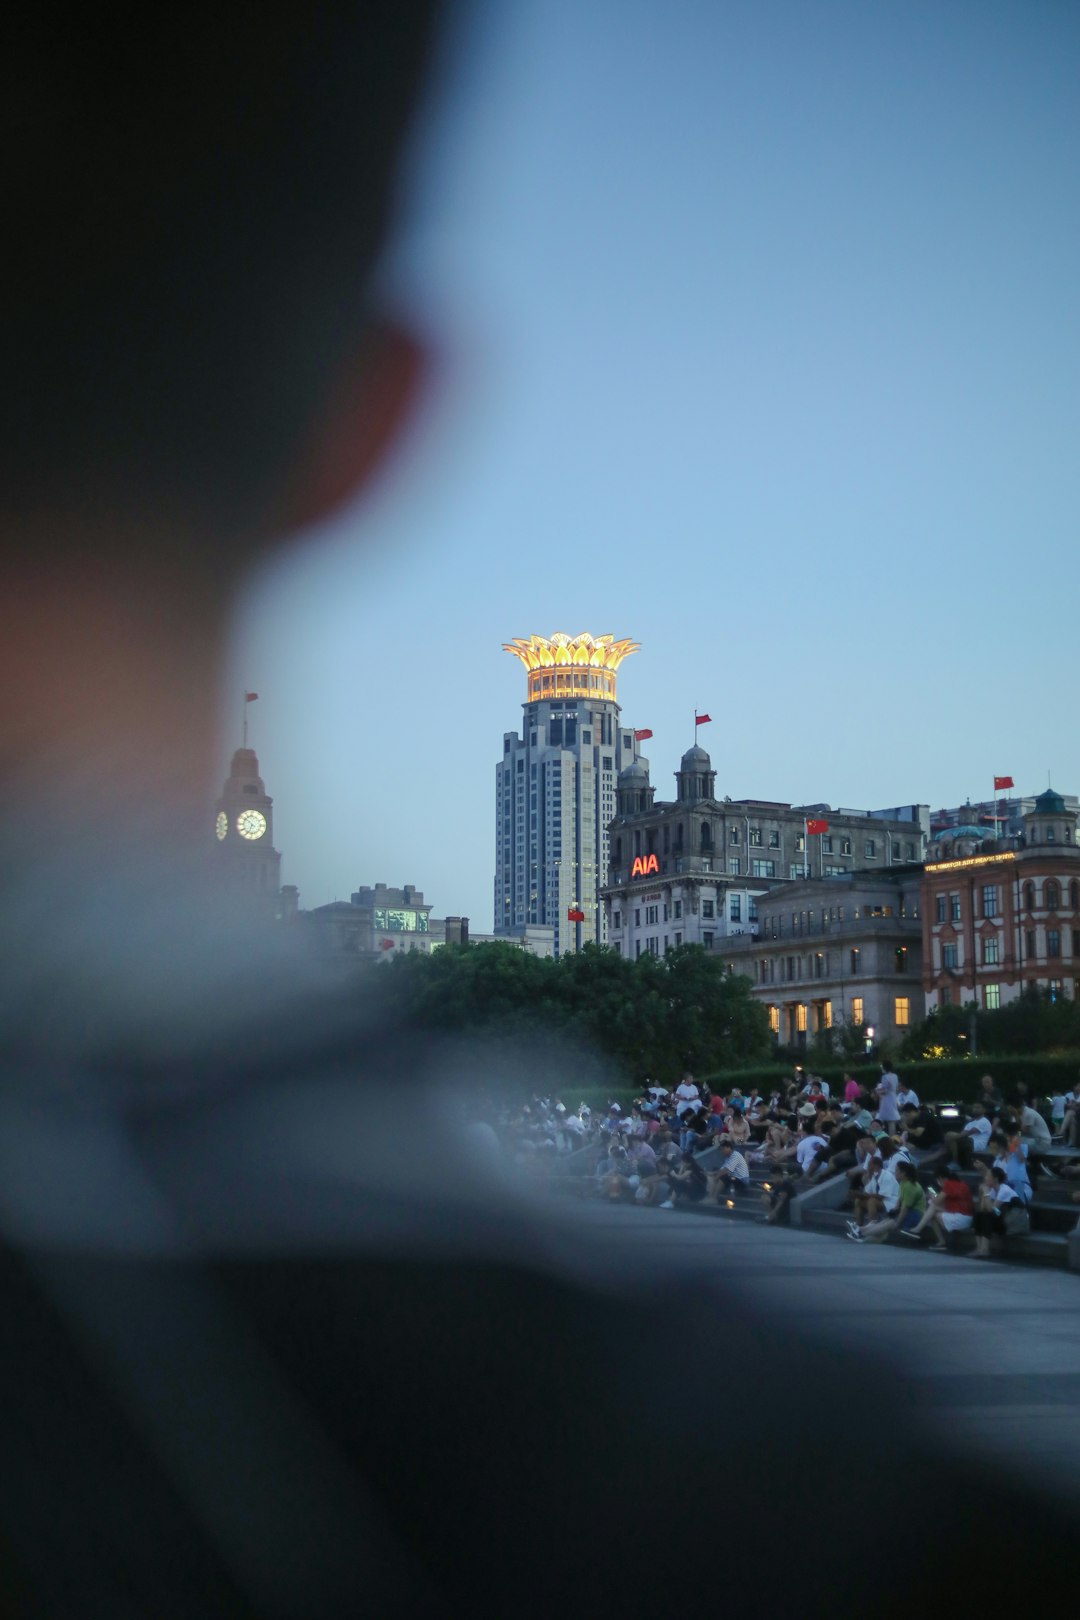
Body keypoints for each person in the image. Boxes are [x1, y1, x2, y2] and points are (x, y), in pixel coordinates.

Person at [911, 1166, 975, 1251]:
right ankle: (940, 1242)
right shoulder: (960, 1184)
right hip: (965, 1217)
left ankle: (918, 1229)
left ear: (940, 1178)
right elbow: (943, 1203)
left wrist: (931, 1191)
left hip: (960, 1218)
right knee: (933, 1212)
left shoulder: (949, 1184)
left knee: (933, 1207)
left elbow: (936, 1201)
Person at [972, 1165, 1024, 1258]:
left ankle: (985, 1249)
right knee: (978, 1215)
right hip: (1003, 1216)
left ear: (995, 1179)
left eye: (988, 1176)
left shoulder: (1004, 1190)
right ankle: (979, 1248)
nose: (985, 1178)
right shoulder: (993, 1190)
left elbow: (991, 1210)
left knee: (987, 1216)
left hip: (1013, 1222)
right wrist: (983, 1193)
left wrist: (986, 1193)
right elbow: (984, 1208)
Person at [874, 1063, 902, 1130]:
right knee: (891, 1120)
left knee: (887, 1120)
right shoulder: (895, 1076)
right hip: (893, 1098)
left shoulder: (885, 1077)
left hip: (886, 1100)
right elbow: (895, 1088)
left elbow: (885, 1090)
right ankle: (892, 1137)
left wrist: (877, 1090)